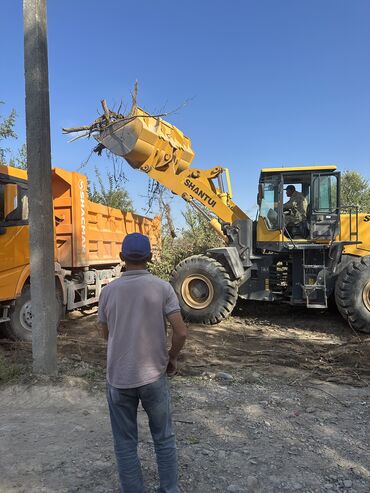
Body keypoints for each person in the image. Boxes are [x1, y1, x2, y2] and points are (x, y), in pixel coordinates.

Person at [98, 232, 187, 493]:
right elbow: (181, 332)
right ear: (149, 257)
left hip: (118, 378)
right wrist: (172, 357)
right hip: (153, 376)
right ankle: (169, 489)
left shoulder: (108, 291)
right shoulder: (162, 288)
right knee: (164, 438)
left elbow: (106, 334)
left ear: (121, 257)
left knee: (125, 443)